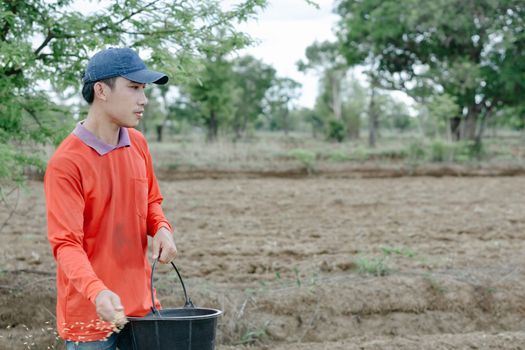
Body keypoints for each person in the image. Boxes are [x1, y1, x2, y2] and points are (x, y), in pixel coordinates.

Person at [44, 47, 177, 349]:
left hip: (142, 306)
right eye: (133, 88)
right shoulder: (67, 163)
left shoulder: (138, 144)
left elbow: (151, 202)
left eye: (143, 89)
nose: (143, 99)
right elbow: (66, 244)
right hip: (90, 315)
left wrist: (162, 229)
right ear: (101, 90)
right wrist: (98, 291)